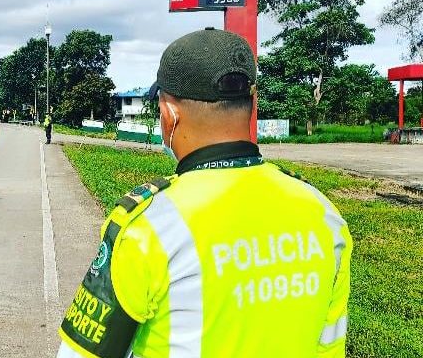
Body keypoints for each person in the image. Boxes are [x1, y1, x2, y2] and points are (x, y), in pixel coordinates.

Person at [57, 28, 352, 358]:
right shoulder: (325, 216)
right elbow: (329, 345)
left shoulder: (148, 229)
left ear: (169, 115)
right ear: (252, 105)